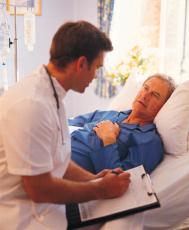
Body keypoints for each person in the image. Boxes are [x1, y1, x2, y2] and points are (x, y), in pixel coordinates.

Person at [0, 21, 131, 230]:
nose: (95, 76)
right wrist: (100, 190)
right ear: (81, 64)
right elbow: (40, 190)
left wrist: (93, 180)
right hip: (23, 222)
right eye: (96, 68)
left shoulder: (52, 94)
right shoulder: (32, 105)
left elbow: (57, 158)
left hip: (48, 218)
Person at [69, 74, 176, 174]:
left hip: (67, 168)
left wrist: (108, 139)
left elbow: (117, 181)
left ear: (163, 107)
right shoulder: (110, 114)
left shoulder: (150, 142)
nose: (145, 96)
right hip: (58, 148)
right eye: (146, 88)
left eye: (155, 95)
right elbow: (65, 124)